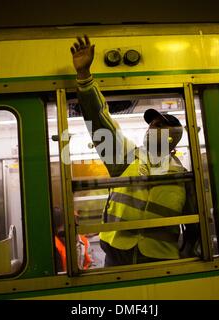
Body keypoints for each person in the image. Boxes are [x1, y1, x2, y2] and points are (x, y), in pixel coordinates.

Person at [70, 35, 187, 267]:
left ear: (173, 139)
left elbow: (196, 222)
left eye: (160, 126)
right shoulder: (127, 157)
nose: (152, 128)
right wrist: (84, 77)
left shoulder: (183, 176)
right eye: (152, 124)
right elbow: (99, 120)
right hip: (117, 254)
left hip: (161, 258)